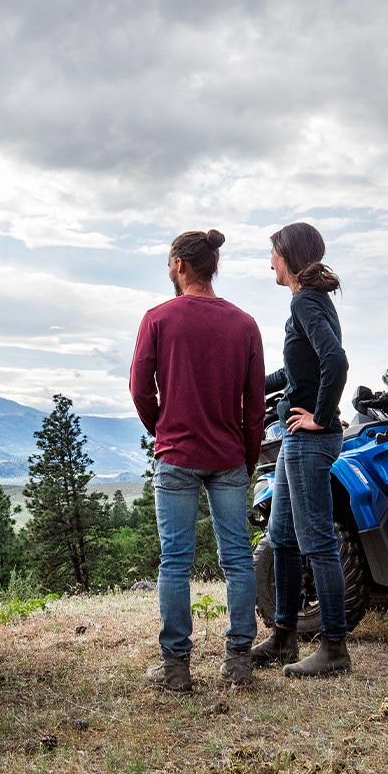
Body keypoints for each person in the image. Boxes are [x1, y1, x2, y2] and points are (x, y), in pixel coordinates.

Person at [129, 229, 266, 694]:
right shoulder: (244, 324)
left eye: (170, 263)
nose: (169, 270)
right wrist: (246, 458)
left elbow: (139, 390)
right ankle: (239, 661)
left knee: (175, 562)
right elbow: (255, 404)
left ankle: (176, 668)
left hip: (178, 456)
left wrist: (163, 428)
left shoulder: (159, 319)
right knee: (237, 560)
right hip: (228, 456)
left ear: (181, 266)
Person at [247, 222, 353, 677]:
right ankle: (285, 639)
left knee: (318, 543)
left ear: (288, 257)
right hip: (296, 436)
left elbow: (336, 361)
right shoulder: (307, 303)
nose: (269, 261)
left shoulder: (307, 301)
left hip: (310, 438)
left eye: (272, 253)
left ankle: (334, 649)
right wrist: (244, 386)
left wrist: (322, 417)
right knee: (283, 538)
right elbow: (294, 378)